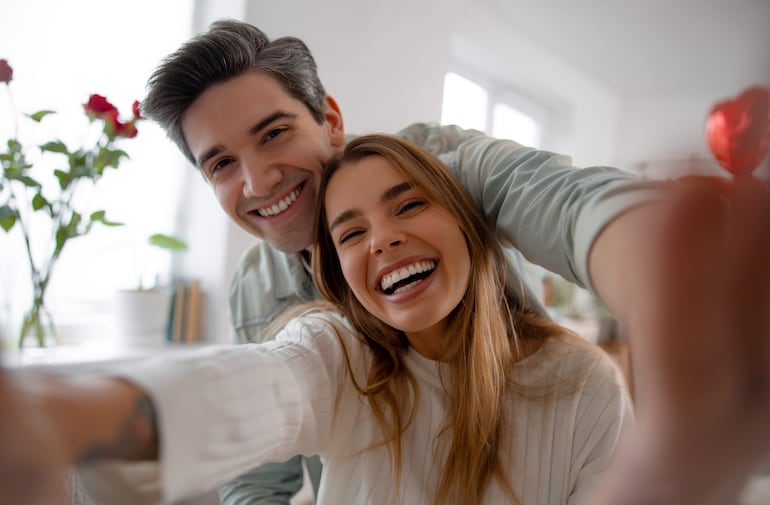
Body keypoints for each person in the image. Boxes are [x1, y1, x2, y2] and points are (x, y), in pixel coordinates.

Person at [2, 133, 769, 505]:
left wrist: (671, 466)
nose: (384, 238)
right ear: (343, 277)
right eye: (351, 233)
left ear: (470, 227)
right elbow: (251, 388)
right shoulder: (335, 353)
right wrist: (73, 414)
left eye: (408, 206)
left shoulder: (580, 382)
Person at [138, 19, 661, 504]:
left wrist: (668, 295)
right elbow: (255, 474)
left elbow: (568, 205)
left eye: (274, 134)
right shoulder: (259, 290)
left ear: (331, 121)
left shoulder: (441, 168)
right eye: (222, 164)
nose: (258, 182)